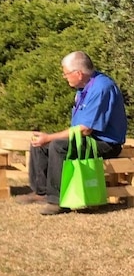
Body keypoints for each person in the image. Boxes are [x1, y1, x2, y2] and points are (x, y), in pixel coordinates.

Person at [19, 51, 127, 215]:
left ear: (78, 73)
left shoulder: (101, 88)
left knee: (57, 145)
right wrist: (45, 138)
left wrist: (50, 137)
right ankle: (41, 192)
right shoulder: (83, 87)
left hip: (106, 143)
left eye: (66, 73)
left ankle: (58, 200)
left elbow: (86, 129)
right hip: (86, 138)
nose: (64, 77)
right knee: (40, 143)